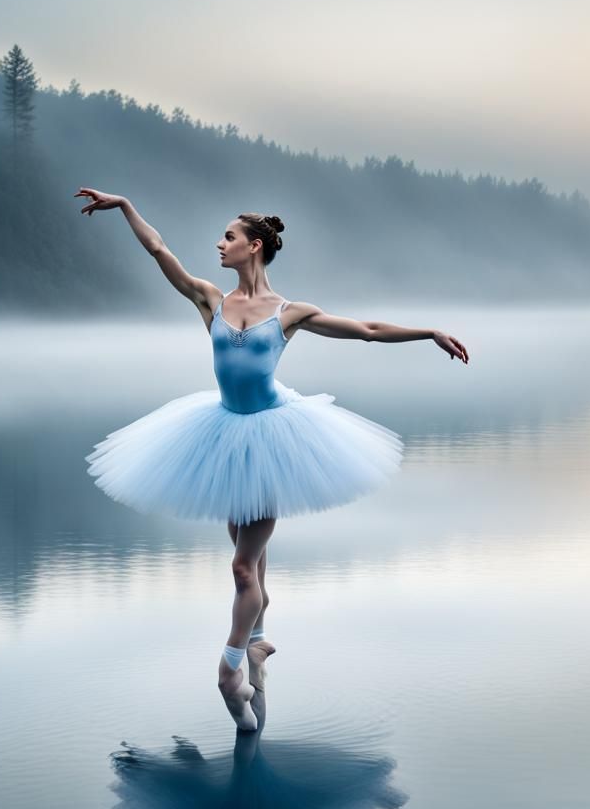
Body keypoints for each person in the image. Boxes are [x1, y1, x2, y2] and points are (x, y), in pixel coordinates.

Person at [75, 189, 470, 732]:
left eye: (229, 237)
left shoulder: (289, 313)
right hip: (220, 434)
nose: (219, 244)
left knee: (242, 567)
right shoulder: (209, 299)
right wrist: (123, 206)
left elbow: (368, 331)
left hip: (272, 439)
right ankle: (259, 643)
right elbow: (158, 250)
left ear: (253, 247)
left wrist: (429, 332)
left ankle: (231, 666)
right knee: (253, 565)